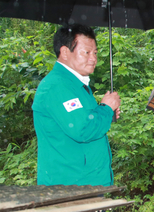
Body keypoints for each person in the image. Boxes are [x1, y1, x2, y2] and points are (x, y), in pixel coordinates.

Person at [32, 24, 121, 186]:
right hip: (69, 188)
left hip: (85, 183)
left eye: (95, 53)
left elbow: (85, 120)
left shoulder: (75, 85)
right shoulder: (58, 86)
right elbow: (83, 129)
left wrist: (106, 112)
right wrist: (106, 109)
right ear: (65, 52)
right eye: (86, 52)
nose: (93, 58)